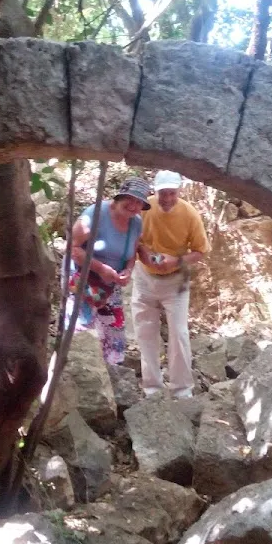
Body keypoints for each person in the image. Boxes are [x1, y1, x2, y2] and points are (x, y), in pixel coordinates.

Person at [133, 170, 209, 398]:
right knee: (145, 332)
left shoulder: (189, 214)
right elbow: (135, 240)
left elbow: (200, 251)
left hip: (176, 280)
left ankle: (182, 390)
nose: (167, 198)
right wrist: (146, 255)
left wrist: (175, 261)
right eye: (163, 193)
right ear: (155, 192)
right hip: (145, 277)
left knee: (179, 333)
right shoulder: (144, 209)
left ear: (179, 191)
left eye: (172, 193)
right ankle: (152, 389)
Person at [66, 177, 149, 365]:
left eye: (139, 202)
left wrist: (128, 271)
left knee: (115, 334)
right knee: (80, 332)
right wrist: (101, 268)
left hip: (111, 285)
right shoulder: (95, 214)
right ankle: (75, 370)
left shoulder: (136, 223)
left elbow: (132, 252)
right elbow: (72, 247)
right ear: (119, 197)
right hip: (83, 280)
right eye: (130, 199)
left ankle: (111, 372)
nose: (133, 206)